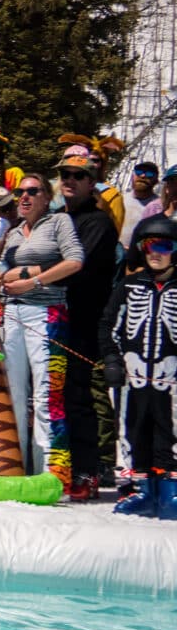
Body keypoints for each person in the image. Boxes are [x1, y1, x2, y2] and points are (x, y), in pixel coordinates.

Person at [0, 173, 85, 485]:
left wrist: (32, 279)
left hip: (46, 312)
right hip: (11, 314)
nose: (25, 197)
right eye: (21, 192)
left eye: (33, 191)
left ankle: (52, 475)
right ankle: (15, 469)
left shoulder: (59, 223)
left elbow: (75, 261)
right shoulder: (14, 233)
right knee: (14, 394)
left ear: (47, 197)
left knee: (47, 394)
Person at [103, 215, 177, 518]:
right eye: (148, 245)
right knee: (133, 430)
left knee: (170, 431)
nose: (155, 252)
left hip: (171, 379)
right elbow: (109, 324)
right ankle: (140, 488)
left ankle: (170, 490)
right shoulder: (130, 285)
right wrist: (111, 358)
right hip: (133, 376)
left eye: (164, 245)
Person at [57, 148, 121, 499]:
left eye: (77, 175)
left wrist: (35, 276)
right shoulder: (58, 219)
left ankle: (88, 470)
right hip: (54, 318)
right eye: (64, 174)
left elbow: (74, 266)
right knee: (52, 395)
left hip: (84, 321)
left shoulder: (97, 222)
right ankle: (59, 464)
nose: (69, 180)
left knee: (79, 396)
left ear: (92, 182)